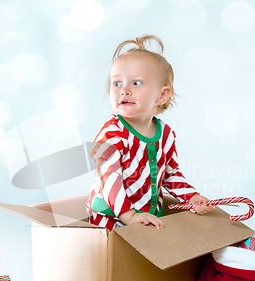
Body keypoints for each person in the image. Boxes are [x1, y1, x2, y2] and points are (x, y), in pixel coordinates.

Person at [86, 35, 213, 231]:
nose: (124, 90)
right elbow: (108, 177)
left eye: (136, 83)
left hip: (148, 215)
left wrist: (191, 197)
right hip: (111, 217)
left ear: (162, 95)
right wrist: (128, 215)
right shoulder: (112, 132)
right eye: (117, 83)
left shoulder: (166, 135)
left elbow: (170, 173)